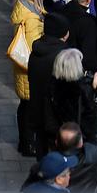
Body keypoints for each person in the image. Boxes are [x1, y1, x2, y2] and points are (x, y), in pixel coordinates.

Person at [10, 0, 46, 156]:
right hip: (30, 72)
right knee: (30, 108)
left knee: (25, 106)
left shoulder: (24, 9)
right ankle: (28, 143)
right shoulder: (31, 18)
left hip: (23, 71)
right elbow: (35, 47)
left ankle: (25, 142)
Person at [28, 12, 70, 158]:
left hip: (37, 111)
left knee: (41, 151)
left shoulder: (36, 52)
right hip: (56, 117)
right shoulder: (63, 56)